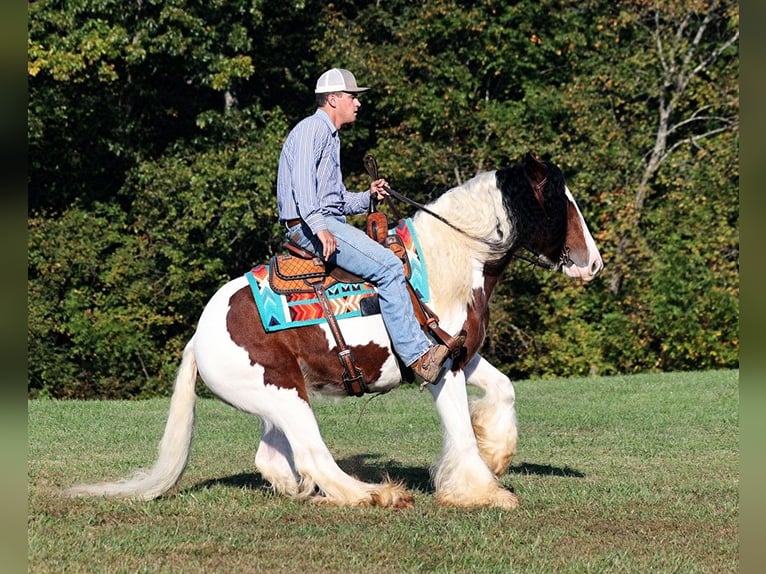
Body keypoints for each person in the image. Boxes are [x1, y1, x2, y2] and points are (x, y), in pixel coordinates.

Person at [276, 67, 461, 384]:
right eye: (352, 97)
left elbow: (336, 200)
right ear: (333, 99)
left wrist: (368, 196)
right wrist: (320, 228)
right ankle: (419, 357)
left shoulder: (330, 137)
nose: (357, 103)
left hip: (323, 222)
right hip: (308, 228)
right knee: (389, 266)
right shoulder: (312, 130)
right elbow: (303, 188)